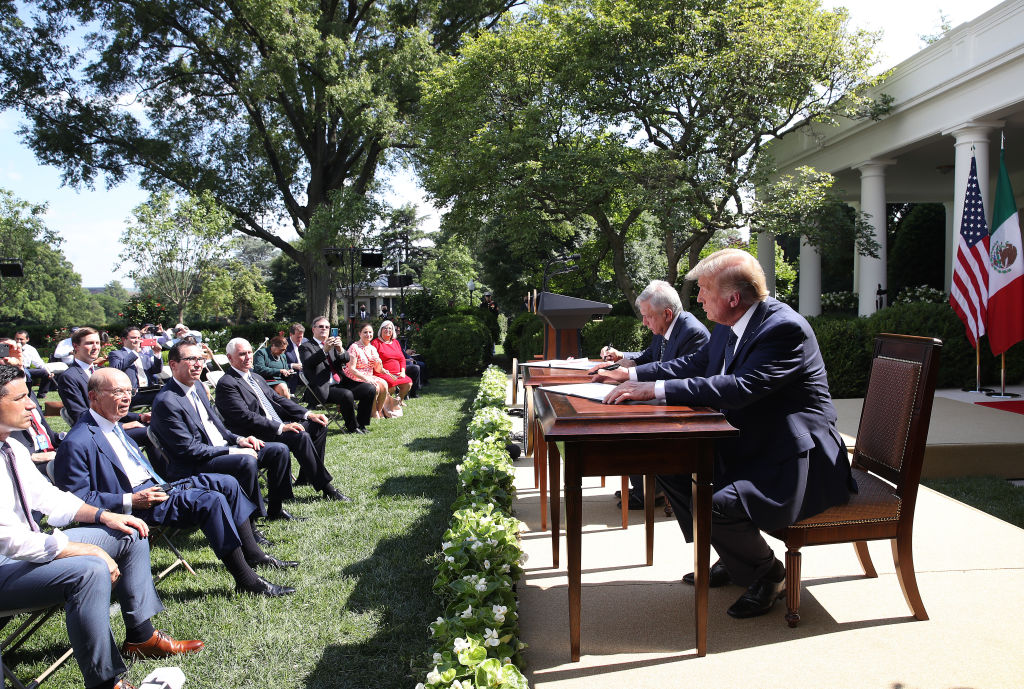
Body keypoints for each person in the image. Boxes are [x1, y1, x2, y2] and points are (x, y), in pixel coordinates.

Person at [594, 249, 856, 619]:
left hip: (794, 458)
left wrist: (653, 391)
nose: (698, 298)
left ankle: (769, 573)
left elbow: (740, 387)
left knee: (713, 503)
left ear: (733, 298)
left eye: (704, 289)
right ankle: (737, 558)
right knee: (670, 468)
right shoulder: (728, 326)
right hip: (750, 442)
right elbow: (698, 364)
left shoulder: (783, 328)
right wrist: (633, 376)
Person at [0, 365, 203, 689]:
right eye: (22, 397)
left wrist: (104, 516)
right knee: (90, 569)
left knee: (128, 530)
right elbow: (7, 539)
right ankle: (107, 683)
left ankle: (141, 637)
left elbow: (48, 498)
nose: (32, 405)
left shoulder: (13, 447)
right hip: (5, 563)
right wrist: (81, 548)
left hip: (26, 549)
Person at [53, 368, 296, 597]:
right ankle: (247, 580)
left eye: (129, 391)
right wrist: (131, 500)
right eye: (118, 392)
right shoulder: (79, 440)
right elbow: (77, 501)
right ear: (93, 397)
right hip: (136, 503)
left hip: (157, 487)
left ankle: (253, 553)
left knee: (227, 483)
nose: (126, 398)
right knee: (210, 500)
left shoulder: (112, 425)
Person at [148, 342, 297, 521]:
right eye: (191, 359)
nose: (198, 364)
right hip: (195, 463)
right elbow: (188, 450)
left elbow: (217, 427)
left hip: (220, 449)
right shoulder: (167, 401)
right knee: (245, 460)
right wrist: (234, 450)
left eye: (201, 359)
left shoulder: (197, 388)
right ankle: (250, 521)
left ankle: (275, 510)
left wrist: (239, 439)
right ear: (173, 365)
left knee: (278, 450)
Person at [594, 280, 710, 509]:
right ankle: (644, 484)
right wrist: (623, 357)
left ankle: (652, 488)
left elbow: (678, 369)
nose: (645, 322)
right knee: (623, 407)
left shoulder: (692, 332)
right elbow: (651, 355)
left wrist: (629, 373)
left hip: (686, 410)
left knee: (631, 420)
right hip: (668, 399)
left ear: (666, 313)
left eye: (648, 317)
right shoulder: (668, 325)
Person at [216, 338, 349, 503]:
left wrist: (308, 414)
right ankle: (327, 489)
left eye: (250, 352)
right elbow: (245, 417)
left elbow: (278, 400)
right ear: (230, 358)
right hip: (256, 434)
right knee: (300, 435)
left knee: (318, 425)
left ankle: (306, 477)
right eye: (242, 354)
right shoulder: (227, 384)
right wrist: (281, 427)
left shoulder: (255, 377)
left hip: (275, 425)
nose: (248, 357)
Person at [57, 327, 153, 455]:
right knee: (150, 433)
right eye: (89, 343)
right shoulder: (69, 377)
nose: (96, 347)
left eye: (97, 343)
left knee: (158, 427)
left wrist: (140, 416)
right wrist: (119, 427)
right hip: (97, 433)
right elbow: (79, 416)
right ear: (76, 346)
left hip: (113, 425)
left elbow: (112, 407)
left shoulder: (99, 372)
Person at [299, 317, 375, 434]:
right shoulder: (306, 346)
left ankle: (361, 424)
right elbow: (308, 364)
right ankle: (352, 427)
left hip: (341, 382)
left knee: (369, 389)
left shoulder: (332, 344)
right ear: (313, 329)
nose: (324, 329)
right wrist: (323, 351)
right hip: (323, 387)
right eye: (321, 326)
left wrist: (340, 349)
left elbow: (346, 359)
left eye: (327, 327)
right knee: (346, 394)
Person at [345, 322, 398, 419]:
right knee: (376, 387)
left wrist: (380, 366)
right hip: (354, 377)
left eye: (370, 332)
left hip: (369, 375)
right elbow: (351, 369)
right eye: (365, 332)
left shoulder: (372, 348)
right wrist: (366, 378)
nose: (368, 335)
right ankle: (373, 412)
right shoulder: (354, 347)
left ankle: (378, 410)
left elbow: (377, 369)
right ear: (359, 333)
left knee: (384, 385)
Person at [107, 327, 163, 407]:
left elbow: (157, 370)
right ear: (124, 339)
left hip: (149, 390)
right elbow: (116, 369)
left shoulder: (143, 356)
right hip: (132, 393)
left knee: (168, 391)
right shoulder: (116, 354)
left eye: (139, 338)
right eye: (133, 338)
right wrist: (134, 353)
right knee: (164, 395)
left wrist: (157, 354)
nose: (137, 340)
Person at [371, 321, 413, 406]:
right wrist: (382, 370)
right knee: (391, 385)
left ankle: (399, 400)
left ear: (393, 330)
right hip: (382, 372)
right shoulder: (376, 343)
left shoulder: (395, 342)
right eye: (385, 328)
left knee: (408, 383)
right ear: (381, 330)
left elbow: (401, 359)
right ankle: (384, 403)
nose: (388, 330)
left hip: (397, 373)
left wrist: (403, 371)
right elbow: (373, 360)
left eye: (390, 328)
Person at [14, 330, 54, 396]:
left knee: (46, 373)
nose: (18, 341)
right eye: (17, 339)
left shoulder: (31, 349)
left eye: (21, 339)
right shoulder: (9, 347)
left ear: (27, 339)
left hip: (26, 369)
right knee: (26, 375)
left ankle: (42, 394)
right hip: (13, 369)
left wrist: (49, 372)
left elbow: (39, 363)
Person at [283, 324, 306, 394]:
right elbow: (279, 364)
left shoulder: (306, 341)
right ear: (291, 334)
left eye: (301, 337)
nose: (300, 339)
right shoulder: (284, 344)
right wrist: (292, 365)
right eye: (297, 337)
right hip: (293, 374)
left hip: (306, 372)